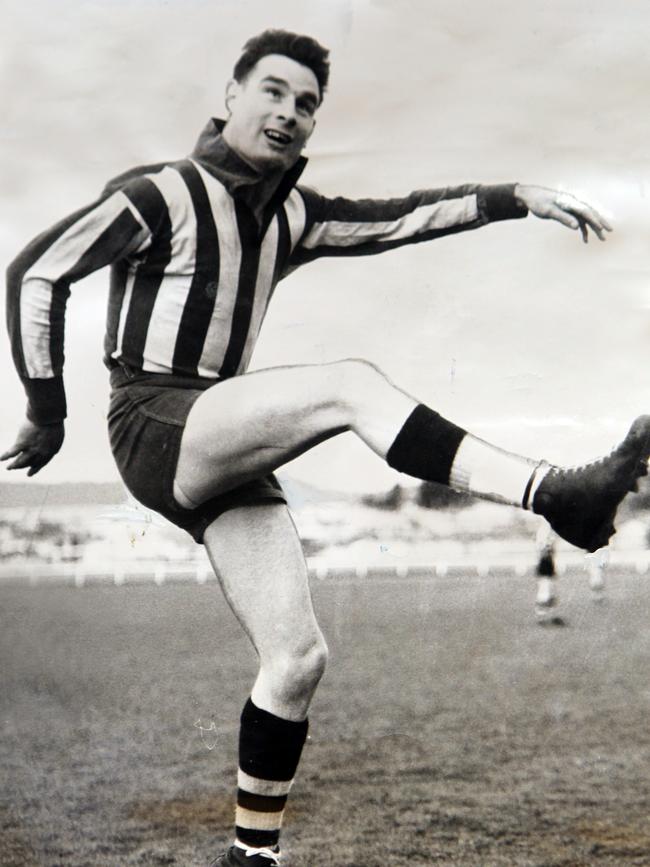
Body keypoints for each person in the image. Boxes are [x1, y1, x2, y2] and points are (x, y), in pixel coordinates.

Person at [3, 29, 649, 867]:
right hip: (156, 418)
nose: (289, 112)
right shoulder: (162, 194)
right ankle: (558, 492)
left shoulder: (292, 216)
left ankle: (252, 854)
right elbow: (36, 271)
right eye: (273, 91)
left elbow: (401, 218)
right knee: (349, 385)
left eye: (307, 104)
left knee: (298, 656)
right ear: (232, 94)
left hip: (225, 442)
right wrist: (47, 408)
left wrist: (515, 193)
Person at [534, 527, 607, 625]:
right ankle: (543, 616)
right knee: (545, 588)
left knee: (546, 587)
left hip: (546, 559)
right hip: (546, 560)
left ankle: (544, 616)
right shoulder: (546, 530)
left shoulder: (546, 530)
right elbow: (545, 544)